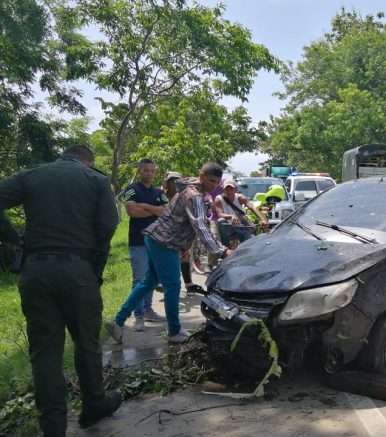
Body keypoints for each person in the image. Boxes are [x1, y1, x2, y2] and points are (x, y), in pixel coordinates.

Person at [0, 146, 122, 436]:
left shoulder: (32, 175)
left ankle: (53, 426)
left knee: (44, 352)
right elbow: (108, 225)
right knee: (86, 342)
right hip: (78, 270)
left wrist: (13, 240)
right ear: (87, 160)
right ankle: (94, 404)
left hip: (36, 271)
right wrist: (95, 269)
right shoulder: (96, 180)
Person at [106, 163, 232, 344]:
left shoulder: (190, 190)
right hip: (164, 242)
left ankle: (117, 321)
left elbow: (183, 223)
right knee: (172, 285)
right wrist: (222, 251)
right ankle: (174, 331)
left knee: (148, 282)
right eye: (211, 180)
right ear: (201, 175)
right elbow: (201, 227)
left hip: (156, 237)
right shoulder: (194, 196)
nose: (213, 185)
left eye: (217, 183)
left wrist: (184, 247)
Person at [119, 159, 168, 332]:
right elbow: (132, 211)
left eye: (152, 170)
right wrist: (154, 209)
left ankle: (148, 310)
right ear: (140, 171)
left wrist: (145, 207)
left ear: (155, 172)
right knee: (139, 278)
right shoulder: (131, 189)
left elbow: (165, 212)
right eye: (145, 170)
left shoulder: (159, 192)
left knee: (152, 279)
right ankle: (138, 315)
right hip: (138, 241)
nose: (149, 173)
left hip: (156, 241)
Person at [213, 179, 266, 247]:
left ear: (235, 189)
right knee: (220, 221)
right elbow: (220, 214)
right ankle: (225, 248)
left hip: (240, 225)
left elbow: (252, 207)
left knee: (250, 243)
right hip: (227, 225)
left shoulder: (240, 197)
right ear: (223, 189)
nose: (229, 191)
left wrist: (262, 219)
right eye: (227, 189)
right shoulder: (218, 199)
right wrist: (231, 216)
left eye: (231, 189)